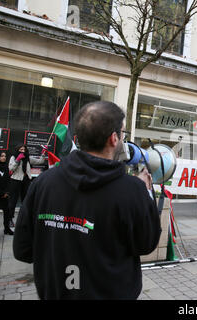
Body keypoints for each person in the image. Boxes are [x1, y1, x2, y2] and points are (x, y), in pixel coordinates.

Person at [13, 101, 161, 300]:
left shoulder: (43, 183)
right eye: (123, 134)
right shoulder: (132, 190)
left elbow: (23, 250)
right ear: (114, 138)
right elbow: (147, 243)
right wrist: (146, 193)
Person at [7, 144, 44, 226]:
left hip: (26, 180)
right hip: (15, 180)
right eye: (21, 149)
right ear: (17, 150)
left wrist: (43, 154)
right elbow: (11, 169)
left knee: (26, 200)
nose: (23, 151)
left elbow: (40, 161)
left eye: (24, 149)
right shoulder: (13, 157)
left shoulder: (28, 158)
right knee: (13, 200)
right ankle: (10, 219)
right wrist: (17, 160)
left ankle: (24, 219)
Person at [0, 151, 13, 235]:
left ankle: (7, 229)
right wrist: (1, 193)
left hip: (5, 195)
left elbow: (8, 181)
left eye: (4, 156)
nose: (4, 157)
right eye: (1, 156)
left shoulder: (6, 168)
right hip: (0, 194)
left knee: (7, 212)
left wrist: (7, 192)